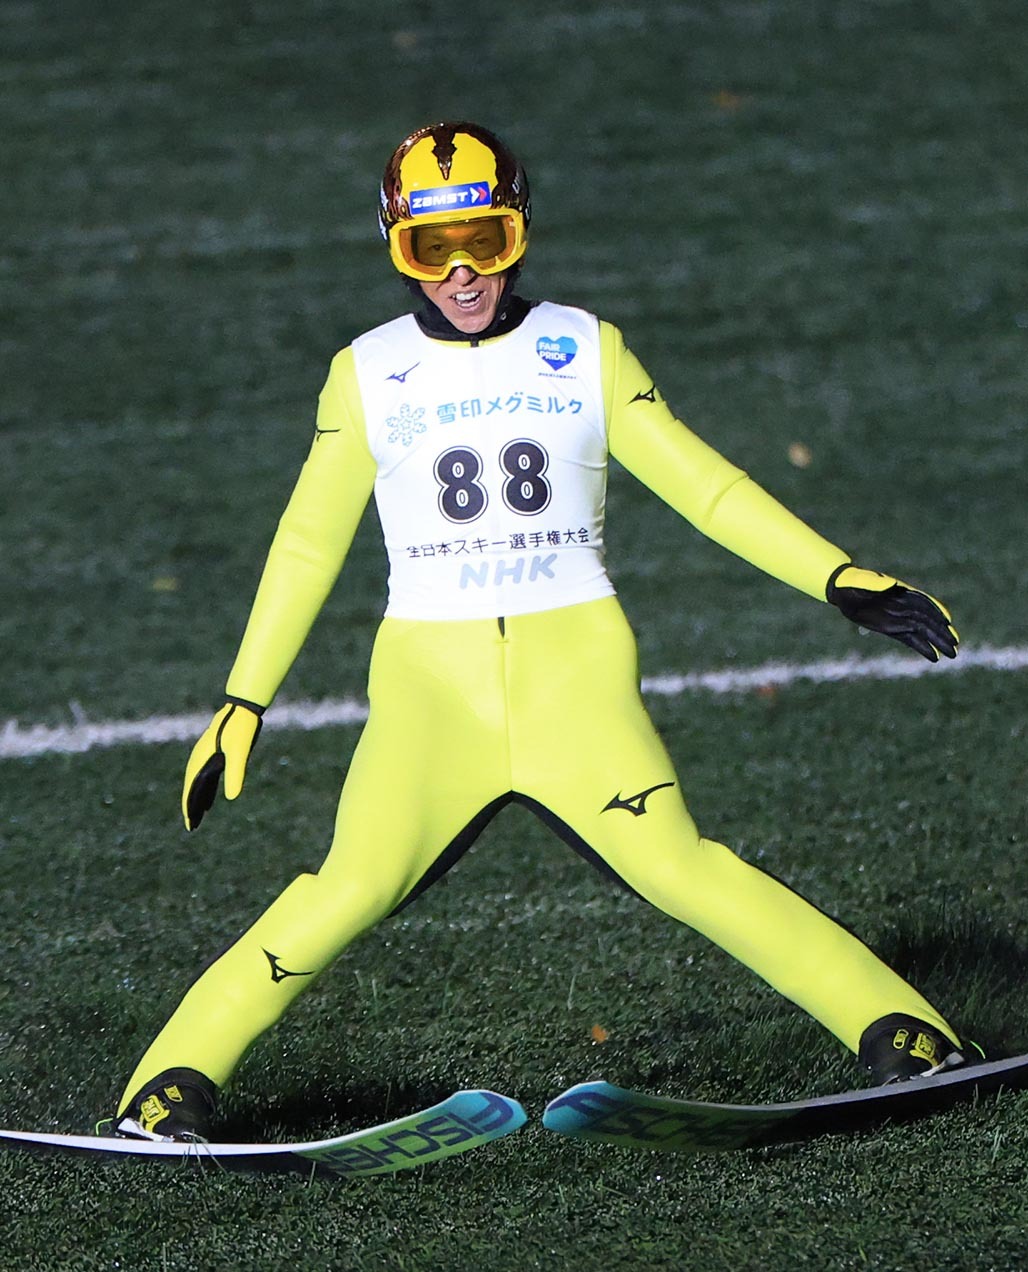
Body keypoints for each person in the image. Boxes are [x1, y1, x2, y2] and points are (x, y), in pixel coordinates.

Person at [114, 121, 968, 1141]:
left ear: (519, 234)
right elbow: (307, 541)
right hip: (431, 692)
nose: (463, 273)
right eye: (432, 250)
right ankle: (167, 1086)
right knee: (348, 885)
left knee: (681, 866)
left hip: (574, 679)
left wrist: (832, 575)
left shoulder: (585, 348)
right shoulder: (365, 372)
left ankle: (907, 1033)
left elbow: (702, 484)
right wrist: (243, 698)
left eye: (485, 240)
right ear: (398, 250)